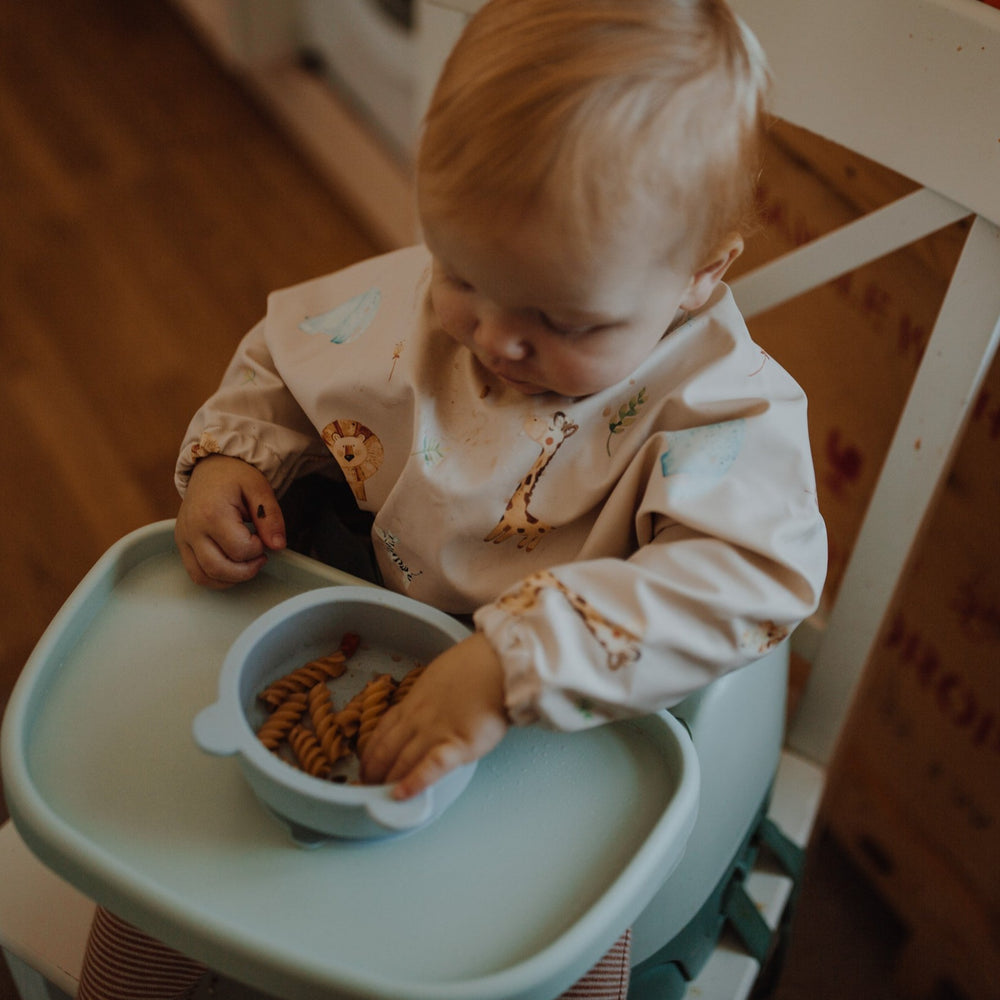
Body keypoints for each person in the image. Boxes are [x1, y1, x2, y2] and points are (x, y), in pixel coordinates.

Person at [78, 1, 827, 998]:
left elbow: (753, 577)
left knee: (567, 956)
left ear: (700, 276)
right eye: (463, 277)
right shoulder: (464, 292)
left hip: (563, 725)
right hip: (359, 635)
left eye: (561, 319)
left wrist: (515, 660)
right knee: (153, 864)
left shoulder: (719, 409)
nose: (494, 342)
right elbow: (289, 359)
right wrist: (233, 459)